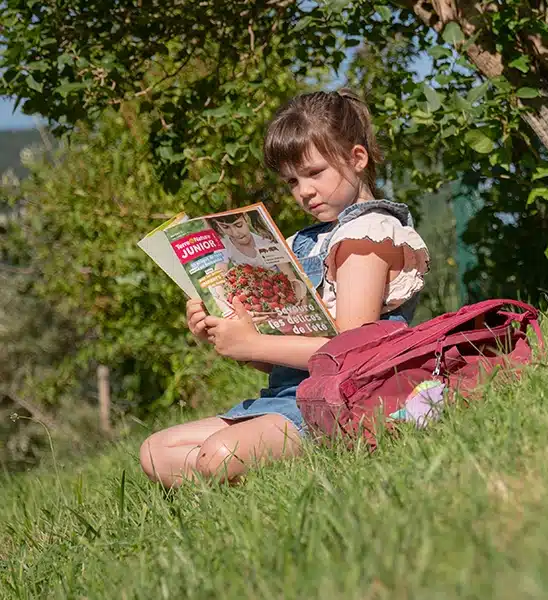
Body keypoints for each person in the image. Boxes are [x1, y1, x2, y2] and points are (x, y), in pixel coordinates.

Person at [139, 89, 430, 489]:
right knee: (156, 452)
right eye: (293, 181)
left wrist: (251, 345)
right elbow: (278, 356)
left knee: (220, 457)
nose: (304, 192)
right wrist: (227, 333)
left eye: (315, 173)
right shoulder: (300, 243)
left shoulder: (368, 233)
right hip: (287, 397)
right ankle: (263, 468)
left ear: (357, 158)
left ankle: (321, 462)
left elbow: (353, 351)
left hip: (342, 400)